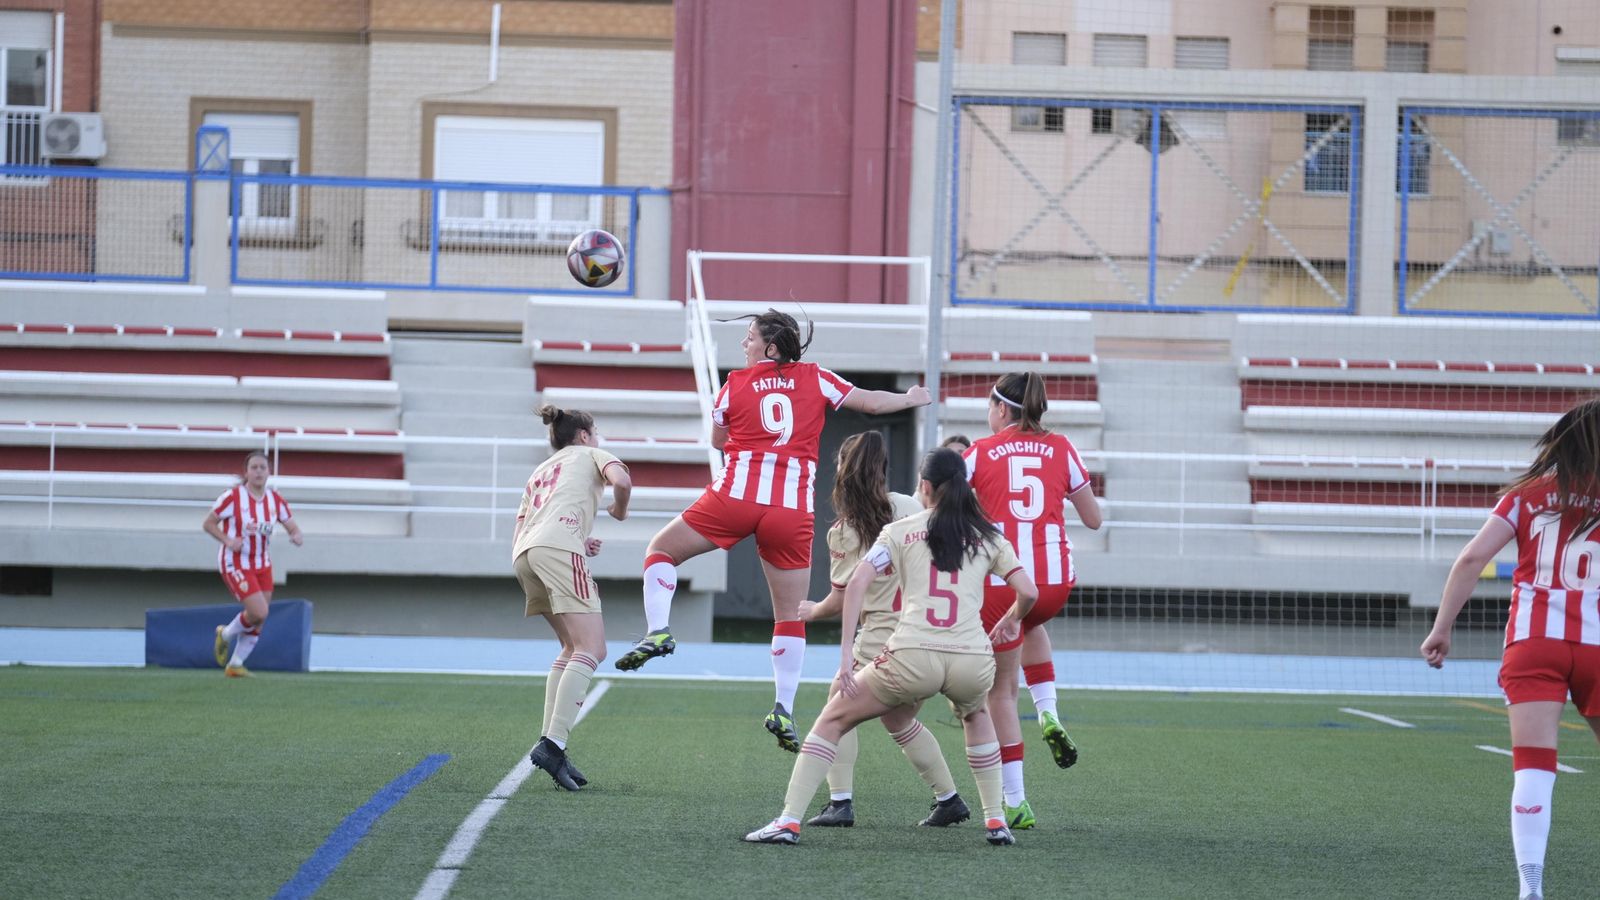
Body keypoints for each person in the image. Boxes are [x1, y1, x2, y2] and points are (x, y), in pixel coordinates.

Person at [613, 308, 932, 754]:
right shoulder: (815, 377)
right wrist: (910, 399)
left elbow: (718, 442)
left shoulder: (733, 387)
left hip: (735, 496)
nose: (742, 344)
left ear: (771, 346)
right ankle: (782, 705)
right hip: (791, 509)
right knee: (789, 614)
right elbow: (871, 402)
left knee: (661, 551)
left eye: (748, 337)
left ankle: (659, 629)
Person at [744, 447, 1038, 847]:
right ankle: (996, 822)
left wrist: (846, 655)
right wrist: (1011, 620)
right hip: (971, 658)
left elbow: (857, 584)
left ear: (927, 488)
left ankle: (788, 822)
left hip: (912, 655)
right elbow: (1028, 591)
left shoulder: (901, 530)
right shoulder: (990, 534)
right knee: (976, 715)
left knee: (833, 718)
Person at [1422, 398, 1600, 900]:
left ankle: (1530, 888)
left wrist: (1441, 629)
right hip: (1597, 644)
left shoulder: (1525, 495)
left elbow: (1471, 558)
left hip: (1533, 643)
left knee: (1533, 764)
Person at [798, 431, 970, 829]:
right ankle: (950, 799)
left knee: (835, 708)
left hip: (882, 641)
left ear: (843, 472)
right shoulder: (908, 505)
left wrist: (811, 610)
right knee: (899, 720)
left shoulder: (843, 530)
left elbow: (841, 600)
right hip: (930, 633)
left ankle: (839, 803)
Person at [963, 371, 1102, 831]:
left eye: (989, 406)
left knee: (999, 693)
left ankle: (1017, 801)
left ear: (1002, 409)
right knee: (1031, 620)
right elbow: (1094, 518)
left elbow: (940, 505)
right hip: (1053, 587)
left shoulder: (980, 452)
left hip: (1004, 584)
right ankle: (1049, 713)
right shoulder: (1063, 446)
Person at [517, 404, 632, 791]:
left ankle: (551, 742)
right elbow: (623, 481)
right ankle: (553, 743)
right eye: (595, 432)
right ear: (583, 436)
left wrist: (577, 540)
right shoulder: (592, 454)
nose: (597, 438)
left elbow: (529, 521)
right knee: (592, 647)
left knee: (569, 647)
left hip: (525, 554)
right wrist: (618, 509)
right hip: (558, 550)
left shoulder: (541, 470)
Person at [205, 450, 303, 677]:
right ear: (246, 472)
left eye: (263, 468)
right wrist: (228, 540)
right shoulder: (232, 497)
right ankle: (225, 634)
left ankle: (236, 664)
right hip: (236, 562)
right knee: (258, 611)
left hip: (262, 563)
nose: (258, 472)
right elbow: (208, 523)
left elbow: (293, 526)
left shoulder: (275, 500)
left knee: (260, 616)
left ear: (269, 472)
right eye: (254, 467)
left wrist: (296, 535)